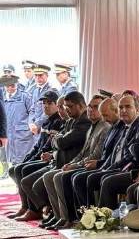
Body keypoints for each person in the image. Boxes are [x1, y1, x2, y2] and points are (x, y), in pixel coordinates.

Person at [21, 91, 92, 224]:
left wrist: (57, 139)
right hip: (59, 161)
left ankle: (63, 216)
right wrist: (57, 142)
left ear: (81, 105)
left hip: (70, 163)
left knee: (47, 180)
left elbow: (63, 141)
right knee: (29, 179)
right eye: (65, 107)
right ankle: (55, 213)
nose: (66, 110)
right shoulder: (72, 120)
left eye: (69, 106)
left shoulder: (84, 122)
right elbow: (56, 142)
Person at [44, 95, 113, 229]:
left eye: (96, 107)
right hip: (83, 163)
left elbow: (96, 155)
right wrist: (71, 163)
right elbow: (82, 153)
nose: (91, 110)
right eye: (90, 106)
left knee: (65, 177)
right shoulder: (92, 126)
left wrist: (75, 165)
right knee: (56, 176)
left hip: (95, 164)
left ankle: (73, 218)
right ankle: (62, 217)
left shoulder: (104, 127)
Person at [1, 74, 35, 164]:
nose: (10, 88)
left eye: (12, 85)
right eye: (7, 85)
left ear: (17, 84)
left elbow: (32, 110)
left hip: (23, 135)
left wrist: (31, 123)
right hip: (9, 135)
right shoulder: (2, 98)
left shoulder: (25, 96)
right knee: (12, 162)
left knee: (25, 161)